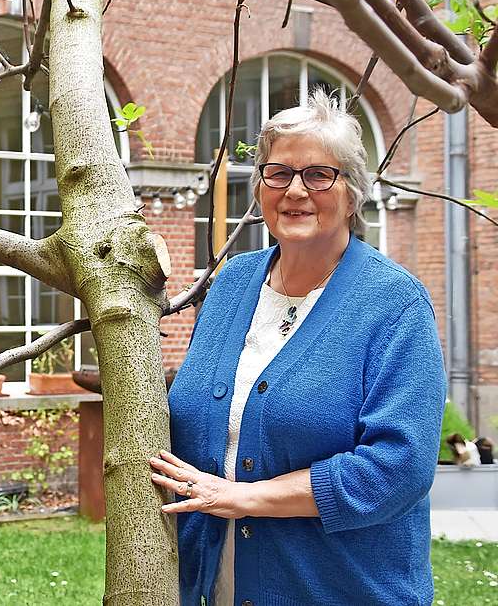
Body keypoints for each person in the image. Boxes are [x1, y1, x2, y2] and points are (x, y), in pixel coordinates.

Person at [151, 90, 446, 605]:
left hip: (341, 589)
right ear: (260, 187)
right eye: (279, 173)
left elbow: (400, 467)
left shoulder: (394, 304)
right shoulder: (231, 284)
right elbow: (203, 414)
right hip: (217, 587)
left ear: (352, 193)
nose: (295, 191)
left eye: (318, 175)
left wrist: (245, 498)